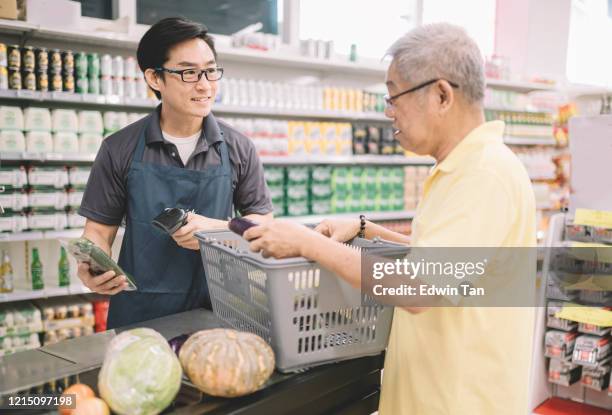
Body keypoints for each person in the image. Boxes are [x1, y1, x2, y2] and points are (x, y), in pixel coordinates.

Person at [243, 23, 536, 415]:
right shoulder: (462, 168)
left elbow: (418, 288)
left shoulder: (483, 175)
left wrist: (307, 242)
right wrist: (366, 229)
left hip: (460, 401)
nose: (388, 111)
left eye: (394, 95)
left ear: (442, 95)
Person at [77, 17, 273, 329]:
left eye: (210, 70)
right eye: (188, 72)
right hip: (141, 314)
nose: (204, 85)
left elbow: (264, 228)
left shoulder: (239, 148)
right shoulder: (119, 148)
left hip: (220, 310)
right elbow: (98, 231)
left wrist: (219, 230)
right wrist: (93, 265)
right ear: (154, 78)